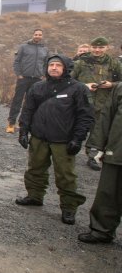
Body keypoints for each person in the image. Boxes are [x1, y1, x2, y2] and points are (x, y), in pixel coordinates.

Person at [15, 55, 93, 225]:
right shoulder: (38, 87)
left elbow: (85, 116)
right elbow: (28, 110)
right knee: (35, 169)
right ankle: (34, 196)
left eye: (58, 65)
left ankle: (68, 207)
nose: (54, 68)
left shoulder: (77, 89)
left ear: (66, 68)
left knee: (66, 175)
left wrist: (78, 138)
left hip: (63, 140)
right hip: (39, 137)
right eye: (51, 65)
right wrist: (23, 131)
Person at [79, 82, 122, 243]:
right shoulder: (119, 89)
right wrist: (97, 146)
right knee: (108, 193)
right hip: (117, 150)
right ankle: (101, 230)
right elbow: (106, 117)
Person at [71, 36, 121, 170]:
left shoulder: (114, 63)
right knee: (73, 127)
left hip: (102, 105)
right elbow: (68, 80)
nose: (97, 50)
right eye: (94, 47)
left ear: (107, 47)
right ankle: (66, 151)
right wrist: (84, 85)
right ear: (91, 47)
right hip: (80, 102)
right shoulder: (81, 62)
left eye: (101, 47)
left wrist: (112, 84)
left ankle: (92, 156)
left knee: (97, 132)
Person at [6, 29, 47, 133]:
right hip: (24, 78)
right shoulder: (24, 47)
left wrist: (43, 74)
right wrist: (19, 74)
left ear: (42, 36)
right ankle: (11, 123)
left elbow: (46, 63)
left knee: (30, 102)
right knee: (17, 100)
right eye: (36, 34)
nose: (38, 36)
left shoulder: (45, 49)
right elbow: (17, 61)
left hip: (37, 79)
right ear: (33, 35)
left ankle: (23, 123)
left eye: (40, 35)